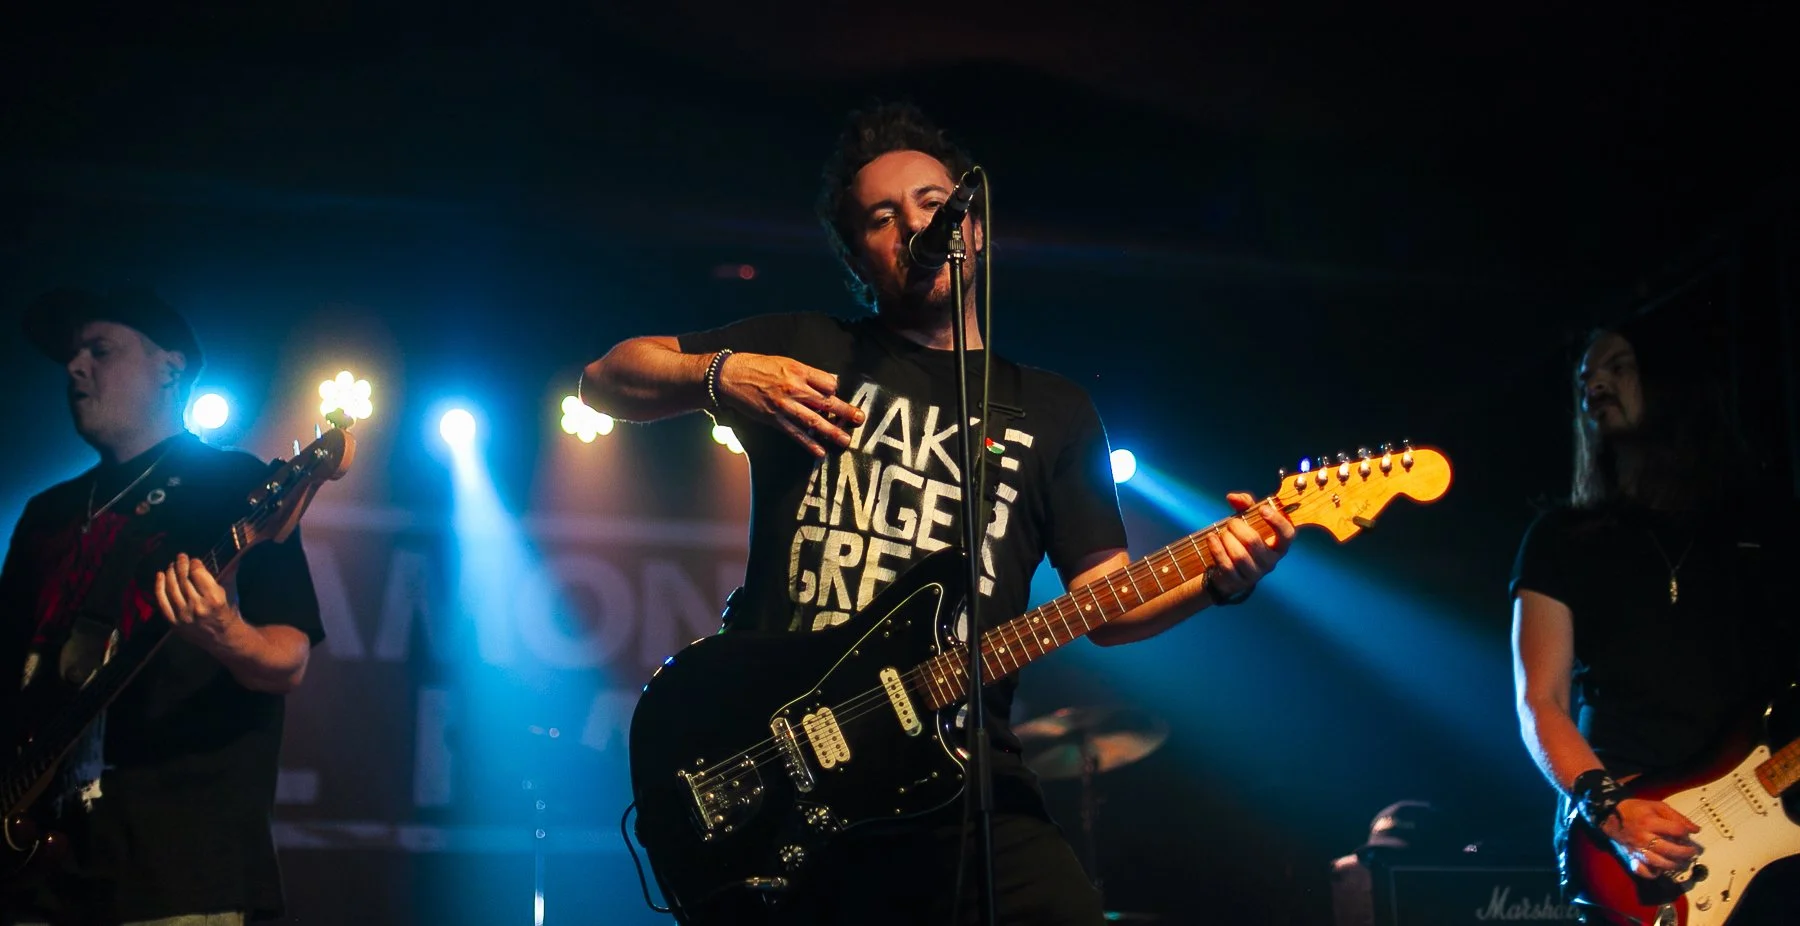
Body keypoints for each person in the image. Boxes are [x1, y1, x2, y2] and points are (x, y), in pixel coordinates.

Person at [582, 102, 1294, 925]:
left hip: (961, 774)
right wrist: (724, 373)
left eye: (932, 203)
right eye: (882, 218)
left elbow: (1107, 604)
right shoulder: (807, 347)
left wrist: (1220, 579)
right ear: (858, 256)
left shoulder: (1054, 411)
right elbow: (605, 378)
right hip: (785, 760)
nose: (916, 226)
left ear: (974, 228)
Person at [0, 288, 324, 926]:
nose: (75, 366)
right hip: (31, 878)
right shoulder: (47, 513)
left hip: (174, 877)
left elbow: (288, 660)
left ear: (170, 368)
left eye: (100, 350)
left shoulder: (236, 485)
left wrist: (224, 632)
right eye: (72, 355)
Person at [1509, 317, 1800, 923]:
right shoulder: (1560, 538)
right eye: (1585, 378)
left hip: (1770, 830)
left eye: (1618, 367)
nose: (1595, 386)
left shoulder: (1761, 525)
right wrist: (1611, 811)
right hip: (1624, 834)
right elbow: (1541, 700)